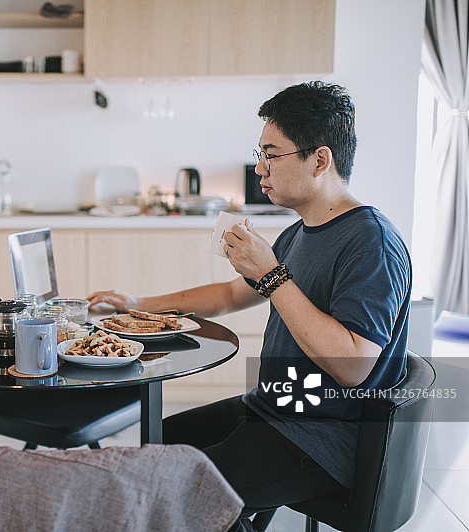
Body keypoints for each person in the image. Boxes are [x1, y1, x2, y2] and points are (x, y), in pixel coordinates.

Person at [87, 81, 411, 532]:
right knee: (151, 451)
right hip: (274, 408)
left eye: (271, 154)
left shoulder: (369, 242)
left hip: (323, 436)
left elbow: (354, 365)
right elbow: (228, 295)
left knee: (181, 493)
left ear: (320, 160)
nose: (259, 168)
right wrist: (139, 305)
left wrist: (274, 276)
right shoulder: (299, 232)